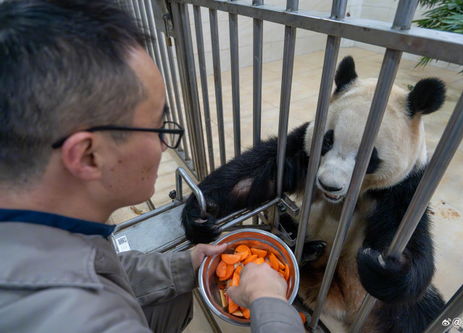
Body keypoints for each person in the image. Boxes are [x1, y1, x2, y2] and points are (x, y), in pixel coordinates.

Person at [0, 1, 304, 332]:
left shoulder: (38, 224)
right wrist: (268, 301)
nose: (164, 144)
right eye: (159, 127)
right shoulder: (82, 320)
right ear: (89, 155)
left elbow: (106, 265)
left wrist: (185, 264)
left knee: (175, 294)